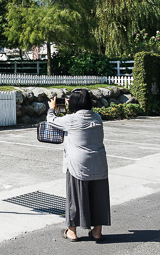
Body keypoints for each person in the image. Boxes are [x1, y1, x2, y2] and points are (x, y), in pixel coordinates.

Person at [47, 88, 110, 242]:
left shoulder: (71, 120)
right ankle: (97, 232)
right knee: (98, 197)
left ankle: (72, 231)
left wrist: (52, 108)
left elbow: (52, 120)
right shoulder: (97, 118)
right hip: (99, 164)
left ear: (74, 103)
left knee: (74, 197)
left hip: (78, 166)